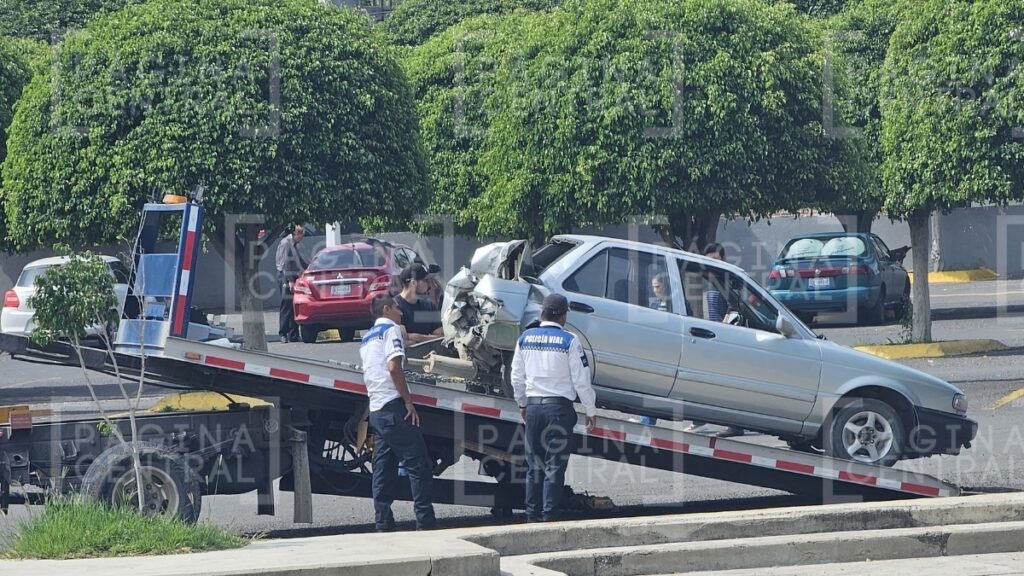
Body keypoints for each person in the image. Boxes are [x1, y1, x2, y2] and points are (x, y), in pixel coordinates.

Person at [511, 293, 597, 522]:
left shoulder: (525, 338)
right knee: (554, 466)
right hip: (558, 409)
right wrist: (590, 409)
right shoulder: (570, 340)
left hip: (533, 408)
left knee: (534, 466)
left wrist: (522, 403)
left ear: (542, 313)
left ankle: (531, 515)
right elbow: (581, 380)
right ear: (564, 316)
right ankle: (549, 517)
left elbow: (516, 378)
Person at [359, 293, 436, 531]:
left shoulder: (367, 338)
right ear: (386, 310)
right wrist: (408, 401)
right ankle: (425, 521)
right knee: (418, 464)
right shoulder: (390, 330)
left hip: (376, 409)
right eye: (396, 308)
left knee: (383, 467)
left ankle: (383, 521)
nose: (400, 312)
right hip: (393, 406)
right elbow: (394, 367)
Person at [684, 243, 744, 438]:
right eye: (708, 259)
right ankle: (700, 420)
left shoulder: (725, 280)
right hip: (713, 337)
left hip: (724, 338)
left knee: (727, 384)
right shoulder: (711, 280)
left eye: (715, 259)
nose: (712, 262)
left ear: (723, 260)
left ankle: (735, 425)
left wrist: (723, 328)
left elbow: (733, 308)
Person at [394, 264, 444, 344]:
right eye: (426, 280)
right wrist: (428, 338)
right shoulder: (395, 306)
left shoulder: (429, 306)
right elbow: (402, 340)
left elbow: (441, 337)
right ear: (413, 283)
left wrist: (414, 337)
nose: (430, 285)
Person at [275, 225, 307, 343]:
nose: (302, 238)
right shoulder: (286, 243)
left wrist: (309, 267)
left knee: (294, 305)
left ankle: (293, 334)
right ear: (297, 234)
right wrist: (290, 280)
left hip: (293, 275)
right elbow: (285, 264)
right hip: (285, 276)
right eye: (301, 236)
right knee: (286, 304)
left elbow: (299, 261)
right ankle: (283, 333)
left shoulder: (294, 244)